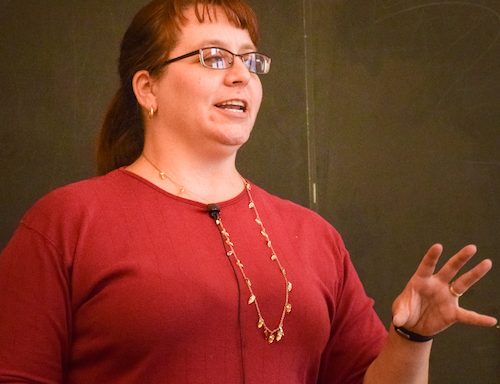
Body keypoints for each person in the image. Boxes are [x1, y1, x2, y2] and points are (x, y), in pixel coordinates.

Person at [0, 0, 496, 383]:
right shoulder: (67, 222)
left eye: (251, 60)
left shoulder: (313, 235)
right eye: (213, 57)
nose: (240, 74)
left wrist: (410, 339)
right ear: (148, 88)